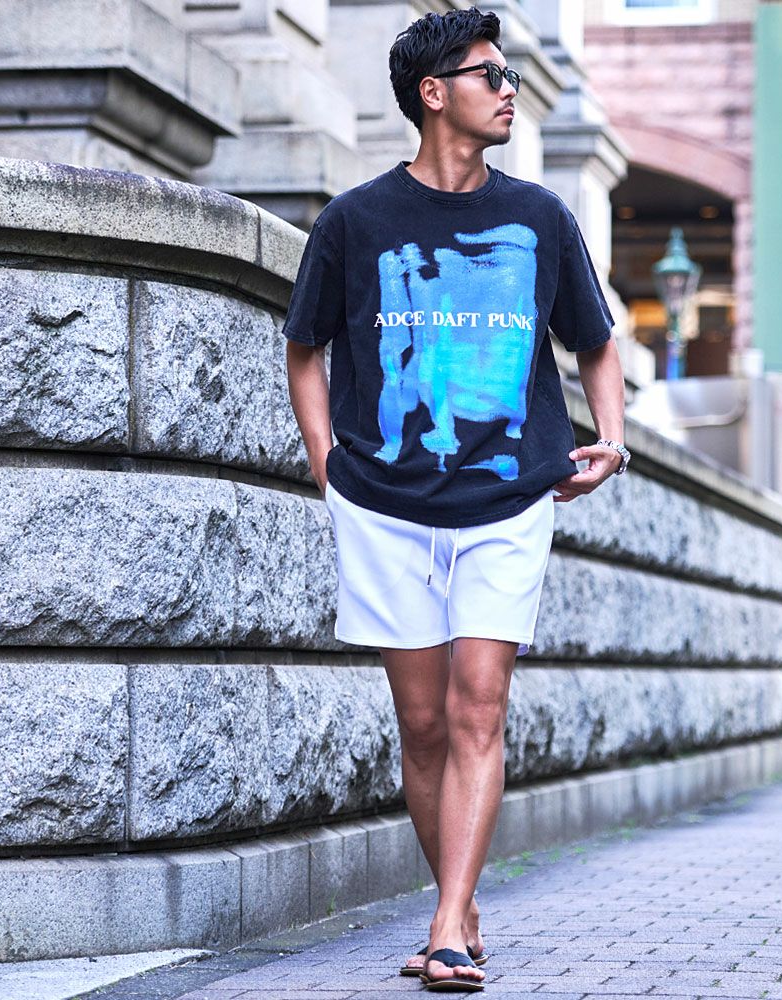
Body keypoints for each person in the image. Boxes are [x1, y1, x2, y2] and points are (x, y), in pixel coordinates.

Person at [283, 6, 627, 993]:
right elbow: (304, 347)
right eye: (489, 74)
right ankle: (458, 904)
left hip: (507, 498)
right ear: (433, 94)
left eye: (508, 72)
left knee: (479, 708)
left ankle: (444, 927)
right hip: (383, 503)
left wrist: (612, 439)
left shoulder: (540, 218)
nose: (509, 89)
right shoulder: (355, 221)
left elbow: (595, 339)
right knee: (424, 725)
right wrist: (325, 462)